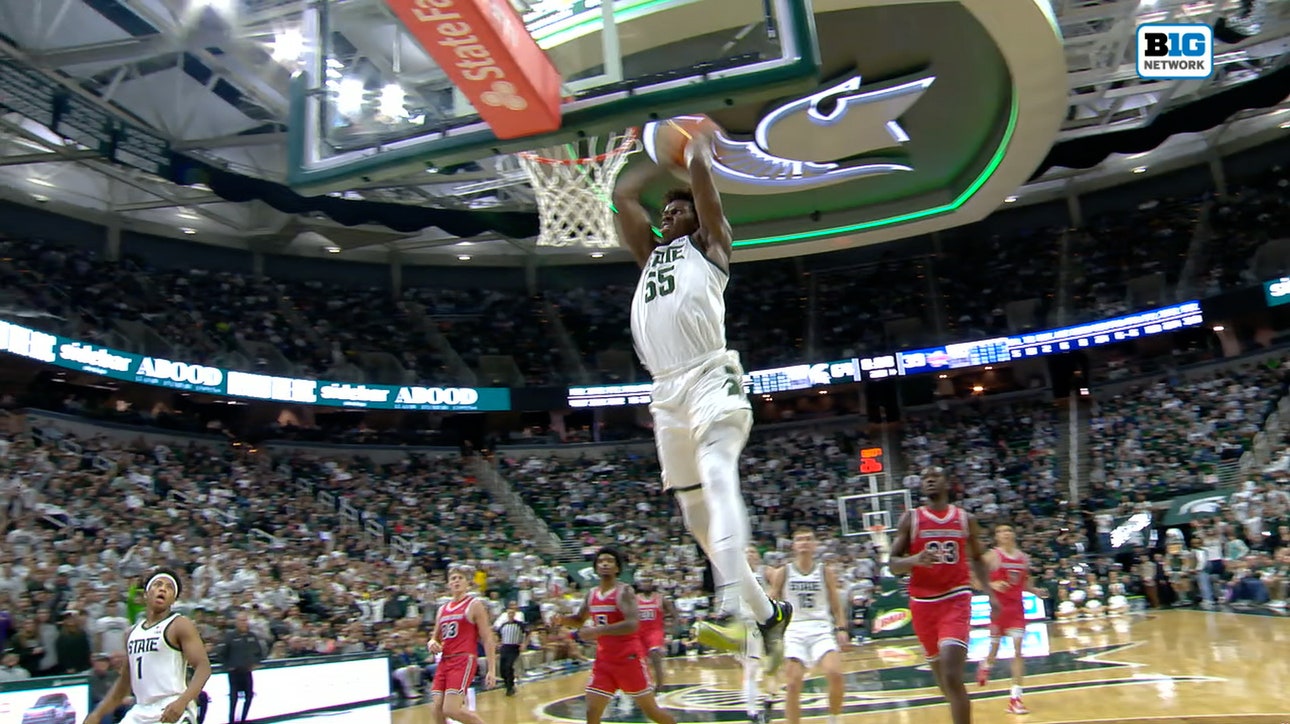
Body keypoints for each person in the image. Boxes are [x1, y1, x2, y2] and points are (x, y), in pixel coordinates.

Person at [613, 124, 791, 668]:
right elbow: (623, 196)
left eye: (677, 212)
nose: (668, 218)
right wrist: (647, 158)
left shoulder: (711, 245)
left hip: (711, 374)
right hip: (665, 391)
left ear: (697, 218)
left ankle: (733, 607)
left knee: (718, 476)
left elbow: (703, 185)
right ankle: (766, 614)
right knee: (694, 515)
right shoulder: (651, 256)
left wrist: (692, 153)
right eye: (664, 214)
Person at [887, 467, 997, 724]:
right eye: (925, 478)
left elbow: (978, 558)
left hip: (955, 599)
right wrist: (914, 560)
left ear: (947, 483)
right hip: (923, 604)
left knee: (951, 675)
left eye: (935, 476)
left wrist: (990, 593)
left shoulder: (963, 518)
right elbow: (892, 563)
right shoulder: (911, 519)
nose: (930, 480)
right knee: (944, 683)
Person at [557, 549, 675, 724]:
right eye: (601, 561)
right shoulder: (591, 594)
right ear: (595, 568)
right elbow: (579, 620)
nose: (605, 564)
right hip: (604, 660)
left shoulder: (624, 591)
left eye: (610, 561)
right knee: (592, 711)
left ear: (617, 568)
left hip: (628, 658)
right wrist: (561, 619)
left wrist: (597, 631)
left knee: (651, 711)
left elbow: (632, 624)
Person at [84, 569, 212, 724]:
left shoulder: (179, 624)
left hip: (171, 705)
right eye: (158, 584)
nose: (163, 589)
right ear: (146, 594)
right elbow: (125, 683)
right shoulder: (131, 633)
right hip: (141, 709)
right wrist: (98, 713)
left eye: (169, 587)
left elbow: (203, 667)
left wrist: (182, 701)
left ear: (173, 600)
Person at [768, 530, 848, 724]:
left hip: (821, 628)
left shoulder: (824, 571)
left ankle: (834, 719)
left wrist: (842, 628)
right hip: (794, 629)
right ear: (794, 545)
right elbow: (771, 602)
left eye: (808, 539)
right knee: (793, 683)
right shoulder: (784, 572)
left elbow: (836, 603)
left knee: (835, 674)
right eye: (799, 540)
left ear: (814, 545)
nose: (804, 543)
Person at [975, 524, 1046, 715]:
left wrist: (1035, 590)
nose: (1005, 533)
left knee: (1018, 651)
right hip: (998, 609)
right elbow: (973, 579)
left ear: (1013, 534)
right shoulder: (991, 556)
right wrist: (992, 584)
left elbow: (1024, 581)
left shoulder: (1023, 557)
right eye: (1000, 531)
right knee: (995, 648)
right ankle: (986, 665)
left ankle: (1015, 698)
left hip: (1016, 609)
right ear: (996, 537)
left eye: (1008, 530)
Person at [426, 566, 497, 724]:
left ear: (467, 583)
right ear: (448, 584)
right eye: (453, 578)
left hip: (463, 659)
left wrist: (491, 669)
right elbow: (435, 638)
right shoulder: (442, 609)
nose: (456, 581)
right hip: (445, 660)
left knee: (451, 709)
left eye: (460, 578)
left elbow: (487, 638)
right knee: (436, 708)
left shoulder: (474, 604)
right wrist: (431, 643)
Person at [219, 612, 265, 723]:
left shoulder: (252, 636)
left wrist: (256, 662)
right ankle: (231, 720)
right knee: (233, 699)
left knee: (249, 696)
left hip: (247, 672)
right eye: (241, 620)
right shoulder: (230, 636)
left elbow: (259, 652)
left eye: (245, 620)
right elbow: (221, 653)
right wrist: (227, 666)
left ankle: (243, 719)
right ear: (236, 622)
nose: (244, 623)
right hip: (234, 673)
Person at [633, 577, 676, 690]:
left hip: (655, 631)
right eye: (644, 582)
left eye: (648, 581)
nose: (646, 584)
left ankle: (660, 685)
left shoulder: (660, 599)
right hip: (639, 633)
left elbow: (674, 614)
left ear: (653, 584)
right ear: (639, 585)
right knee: (640, 660)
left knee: (655, 654)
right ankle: (646, 684)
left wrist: (671, 630)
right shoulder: (634, 599)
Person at [494, 602, 526, 696]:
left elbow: (528, 633)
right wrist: (497, 643)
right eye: (509, 613)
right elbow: (498, 635)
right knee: (502, 668)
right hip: (505, 647)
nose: (510, 615)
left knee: (509, 666)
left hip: (514, 647)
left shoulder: (520, 625)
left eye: (512, 613)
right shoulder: (503, 625)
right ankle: (507, 684)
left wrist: (524, 643)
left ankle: (510, 687)